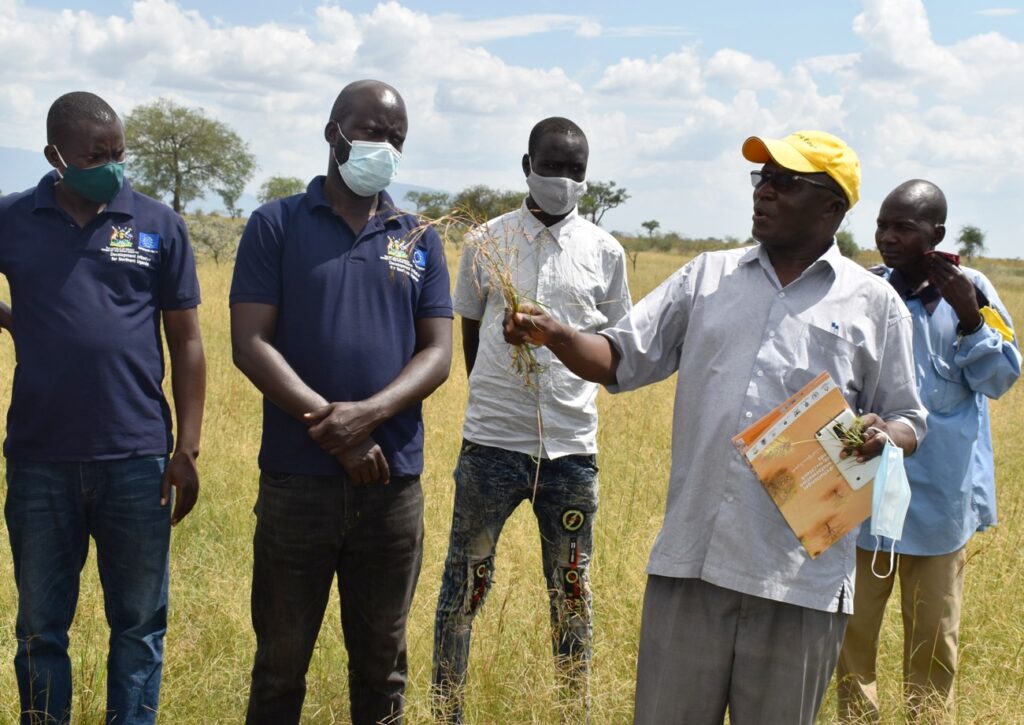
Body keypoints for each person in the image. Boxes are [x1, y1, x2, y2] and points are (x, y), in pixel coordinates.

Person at [504, 130, 929, 724]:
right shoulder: (707, 277)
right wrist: (559, 335)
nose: (766, 193)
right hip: (693, 564)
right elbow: (619, 358)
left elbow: (910, 418)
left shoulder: (872, 304)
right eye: (763, 179)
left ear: (833, 207)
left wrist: (888, 435)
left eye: (787, 182)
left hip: (799, 579)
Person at [230, 79, 453, 725]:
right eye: (372, 131)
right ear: (334, 133)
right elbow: (250, 342)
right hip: (298, 483)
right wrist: (338, 430)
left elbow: (436, 352)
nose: (383, 146)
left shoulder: (418, 236)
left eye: (396, 138)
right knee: (279, 663)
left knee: (383, 667)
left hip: (392, 484)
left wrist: (371, 414)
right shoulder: (275, 222)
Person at [0, 91, 206, 724]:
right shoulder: (12, 218)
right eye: (97, 155)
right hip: (40, 461)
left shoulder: (158, 223)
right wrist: (19, 324)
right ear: (54, 156)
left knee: (140, 627)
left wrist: (187, 449)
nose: (113, 165)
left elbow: (189, 342)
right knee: (40, 630)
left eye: (119, 152)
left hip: (138, 458)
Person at [432, 117, 631, 723]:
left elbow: (617, 342)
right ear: (526, 166)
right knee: (464, 586)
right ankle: (447, 711)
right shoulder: (485, 242)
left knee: (572, 592)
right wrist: (493, 388)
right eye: (552, 167)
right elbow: (470, 329)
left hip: (572, 448)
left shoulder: (605, 250)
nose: (563, 180)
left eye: (576, 170)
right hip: (492, 443)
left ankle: (572, 709)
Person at [836, 180, 1020, 722]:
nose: (888, 238)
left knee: (934, 640)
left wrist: (969, 318)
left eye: (904, 228)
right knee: (852, 635)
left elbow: (1002, 378)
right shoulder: (864, 290)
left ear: (936, 235)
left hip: (940, 503)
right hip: (866, 503)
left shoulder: (975, 289)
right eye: (882, 226)